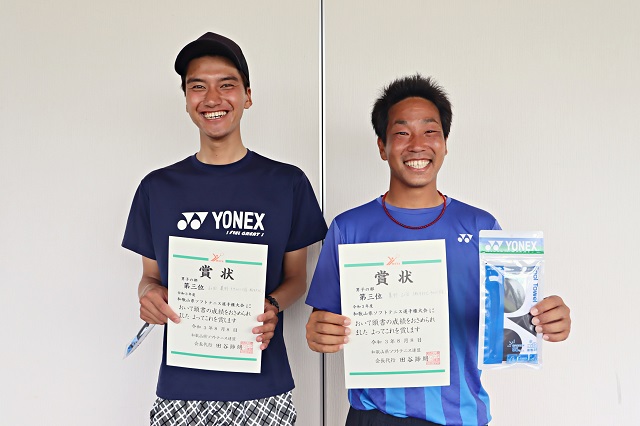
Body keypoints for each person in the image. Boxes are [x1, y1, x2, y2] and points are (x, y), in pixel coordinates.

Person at [305, 74, 571, 426]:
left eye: (430, 131)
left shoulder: (482, 227)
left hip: (460, 416)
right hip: (376, 417)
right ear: (382, 146)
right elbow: (322, 321)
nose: (417, 144)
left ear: (444, 143)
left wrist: (546, 319)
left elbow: (514, 319)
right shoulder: (348, 228)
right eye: (402, 133)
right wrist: (318, 332)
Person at [122, 32, 327, 425]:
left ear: (247, 96)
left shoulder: (287, 183)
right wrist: (149, 295)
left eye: (226, 85)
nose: (212, 99)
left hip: (263, 387)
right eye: (198, 87)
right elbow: (150, 278)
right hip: (181, 390)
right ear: (186, 100)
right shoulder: (157, 188)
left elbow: (297, 278)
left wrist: (272, 305)